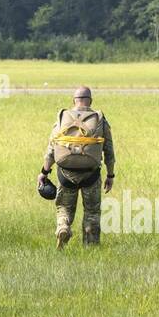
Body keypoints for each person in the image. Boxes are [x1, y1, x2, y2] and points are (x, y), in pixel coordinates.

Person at [38, 86, 115, 248]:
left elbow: (51, 149)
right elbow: (109, 149)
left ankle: (63, 227)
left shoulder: (62, 116)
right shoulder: (99, 118)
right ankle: (91, 247)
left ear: (74, 100)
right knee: (92, 212)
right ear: (90, 101)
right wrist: (110, 175)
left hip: (65, 173)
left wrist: (44, 172)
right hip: (91, 175)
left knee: (64, 208)